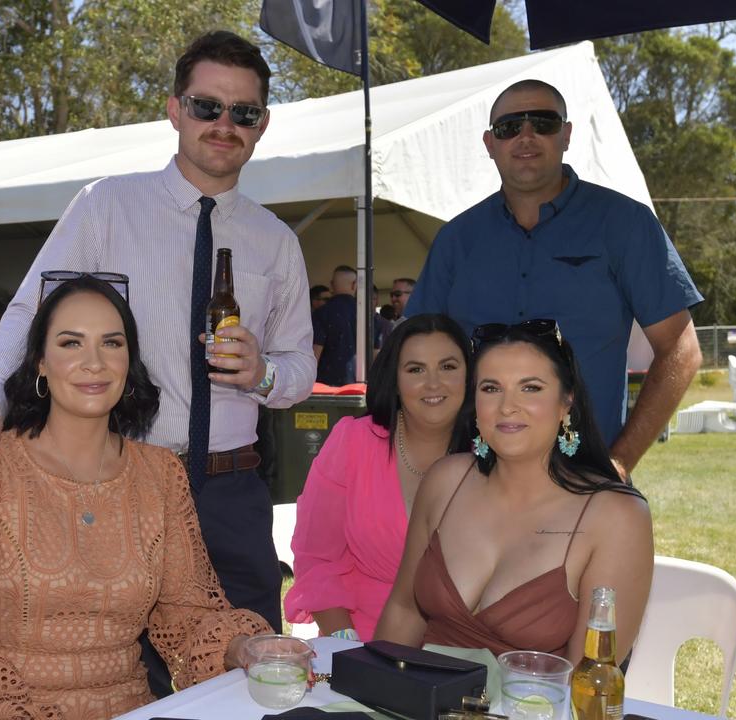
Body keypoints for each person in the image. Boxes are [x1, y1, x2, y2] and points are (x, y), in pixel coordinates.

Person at [0, 31, 315, 639]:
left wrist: (264, 373)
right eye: (206, 107)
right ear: (174, 109)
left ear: (263, 124)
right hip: (119, 478)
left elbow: (299, 368)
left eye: (243, 113)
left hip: (229, 490)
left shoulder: (276, 241)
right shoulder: (107, 207)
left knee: (245, 661)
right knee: (117, 663)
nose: (224, 124)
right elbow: (29, 316)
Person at [0, 277, 270, 720]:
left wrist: (243, 648)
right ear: (40, 364)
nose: (94, 362)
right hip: (1, 708)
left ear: (129, 361)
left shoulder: (161, 474)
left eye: (112, 343)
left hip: (132, 709)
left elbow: (188, 617)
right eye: (71, 343)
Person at [407, 79, 702, 476]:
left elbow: (681, 350)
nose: (526, 136)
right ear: (489, 143)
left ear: (566, 135)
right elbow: (414, 355)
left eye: (542, 123)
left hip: (585, 476)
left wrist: (619, 460)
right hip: (474, 479)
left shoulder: (624, 224)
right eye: (510, 127)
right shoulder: (457, 239)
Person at [375, 319, 653, 665]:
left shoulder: (615, 517)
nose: (507, 406)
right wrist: (372, 689)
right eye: (491, 388)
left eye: (530, 388)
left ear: (567, 402)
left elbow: (588, 678)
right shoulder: (445, 482)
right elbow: (404, 612)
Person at [286, 314, 471, 641]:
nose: (433, 383)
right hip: (364, 641)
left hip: (466, 650)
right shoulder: (353, 442)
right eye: (415, 369)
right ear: (395, 380)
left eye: (448, 367)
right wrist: (348, 648)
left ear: (471, 376)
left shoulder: (492, 454)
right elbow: (317, 559)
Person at [312, 265, 357, 385]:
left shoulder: (321, 313)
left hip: (326, 386)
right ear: (354, 285)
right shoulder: (368, 315)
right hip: (361, 385)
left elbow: (315, 353)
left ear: (332, 285)